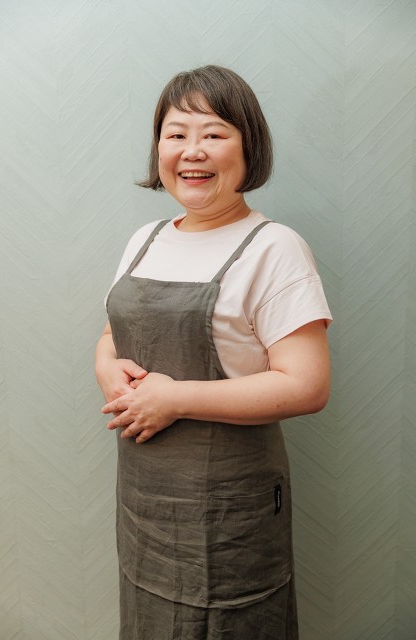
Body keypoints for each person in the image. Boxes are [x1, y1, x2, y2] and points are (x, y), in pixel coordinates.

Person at [95, 65, 331, 640]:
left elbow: (306, 385)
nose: (191, 150)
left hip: (229, 514)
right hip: (145, 501)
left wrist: (175, 399)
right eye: (175, 134)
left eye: (214, 133)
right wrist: (105, 366)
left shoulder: (275, 248)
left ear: (250, 147)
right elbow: (112, 333)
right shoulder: (146, 239)